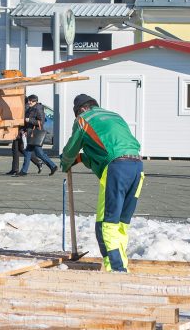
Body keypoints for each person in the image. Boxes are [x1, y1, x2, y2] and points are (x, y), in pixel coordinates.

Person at [60, 94, 144, 273]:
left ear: (81, 110)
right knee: (121, 224)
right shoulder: (114, 116)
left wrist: (66, 162)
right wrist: (82, 158)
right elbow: (104, 151)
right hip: (137, 167)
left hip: (117, 169)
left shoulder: (84, 120)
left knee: (106, 224)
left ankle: (116, 271)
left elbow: (71, 148)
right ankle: (122, 265)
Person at [18, 95, 58, 176]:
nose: (29, 102)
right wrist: (24, 130)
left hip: (35, 134)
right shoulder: (30, 108)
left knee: (38, 153)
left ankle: (53, 166)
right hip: (30, 134)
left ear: (35, 101)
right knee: (28, 152)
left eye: (31, 101)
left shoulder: (38, 108)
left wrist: (30, 120)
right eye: (29, 101)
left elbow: (41, 122)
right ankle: (24, 171)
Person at [6, 95, 43, 176]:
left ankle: (16, 169)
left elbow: (25, 119)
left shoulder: (26, 107)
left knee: (19, 149)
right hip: (19, 129)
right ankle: (36, 162)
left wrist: (23, 130)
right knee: (19, 149)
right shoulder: (24, 106)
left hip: (22, 130)